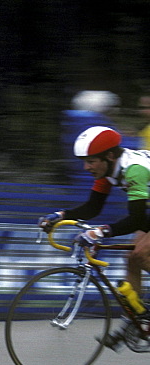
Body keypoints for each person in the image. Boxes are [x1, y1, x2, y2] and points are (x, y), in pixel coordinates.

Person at [38, 126, 150, 351]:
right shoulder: (108, 171)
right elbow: (92, 207)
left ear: (109, 156)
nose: (86, 167)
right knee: (132, 258)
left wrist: (99, 233)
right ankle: (137, 322)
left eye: (90, 161)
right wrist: (60, 216)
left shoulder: (134, 169)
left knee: (141, 253)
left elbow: (138, 219)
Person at [60, 90, 131, 185]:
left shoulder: (72, 127)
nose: (114, 113)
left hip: (78, 183)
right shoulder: (98, 129)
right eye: (111, 109)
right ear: (103, 110)